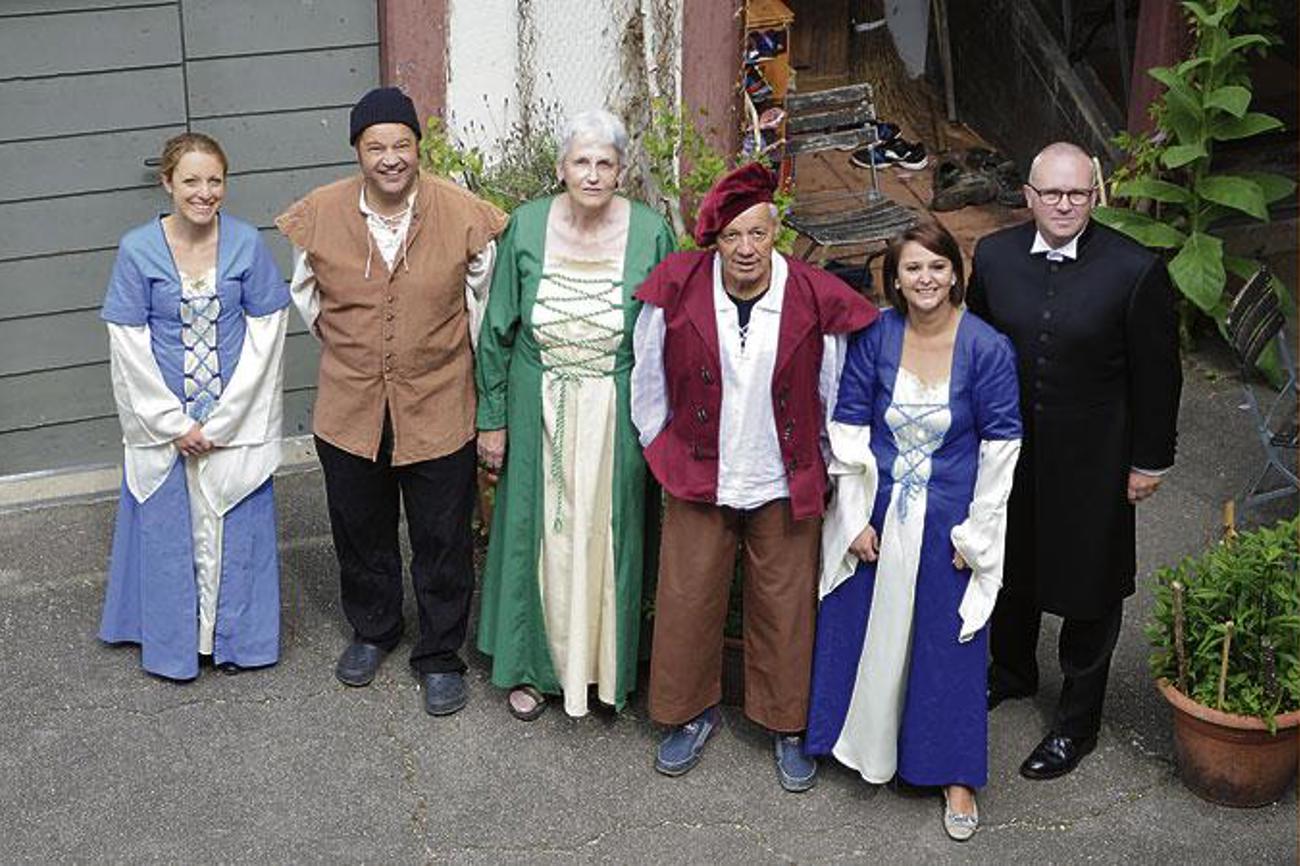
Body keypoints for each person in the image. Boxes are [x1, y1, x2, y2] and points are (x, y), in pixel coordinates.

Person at [631, 162, 878, 791]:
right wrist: (662, 446)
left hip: (782, 476)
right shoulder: (678, 287)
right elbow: (647, 377)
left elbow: (833, 388)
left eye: (758, 234)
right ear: (715, 240)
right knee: (688, 598)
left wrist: (824, 464)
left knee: (785, 606)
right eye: (732, 236)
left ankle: (786, 723)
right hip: (699, 471)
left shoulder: (811, 293)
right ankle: (691, 713)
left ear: (777, 235)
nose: (746, 249)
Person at [275, 87, 506, 715]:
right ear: (357, 151)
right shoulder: (320, 213)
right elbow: (309, 300)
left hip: (439, 403)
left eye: (402, 144)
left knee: (442, 537)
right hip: (348, 407)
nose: (391, 158)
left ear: (417, 147)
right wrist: (362, 352)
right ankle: (374, 628)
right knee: (360, 529)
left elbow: (482, 307)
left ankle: (439, 654)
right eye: (376, 146)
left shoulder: (461, 213)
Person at [967, 141, 1182, 779]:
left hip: (1096, 460)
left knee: (1091, 586)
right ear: (1028, 196)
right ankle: (1012, 671)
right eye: (1051, 193)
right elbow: (973, 346)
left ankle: (1076, 723)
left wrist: (1149, 462)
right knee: (1010, 564)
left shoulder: (1136, 269)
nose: (1064, 205)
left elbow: (1159, 375)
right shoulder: (994, 256)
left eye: (1077, 193)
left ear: (1095, 196)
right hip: (1010, 451)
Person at [806, 223, 1022, 841]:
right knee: (858, 623)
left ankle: (955, 774)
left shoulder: (987, 348)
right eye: (912, 269)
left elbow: (1001, 446)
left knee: (948, 642)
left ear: (955, 274)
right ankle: (849, 740)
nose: (925, 279)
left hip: (950, 518)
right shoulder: (877, 335)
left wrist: (976, 534)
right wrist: (853, 518)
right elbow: (848, 426)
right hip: (879, 507)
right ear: (895, 280)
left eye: (936, 267)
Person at [474, 110, 676, 720]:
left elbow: (669, 337)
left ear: (621, 172)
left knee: (609, 536)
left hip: (617, 414)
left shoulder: (651, 233)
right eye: (581, 162)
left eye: (604, 163)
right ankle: (532, 668)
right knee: (537, 537)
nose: (592, 174)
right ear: (561, 168)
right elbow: (497, 329)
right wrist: (493, 417)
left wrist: (664, 427)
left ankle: (603, 671)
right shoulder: (528, 225)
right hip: (538, 406)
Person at [99, 132, 290, 681]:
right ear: (167, 183)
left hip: (233, 416)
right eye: (191, 181)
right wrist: (173, 424)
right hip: (167, 422)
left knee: (234, 524)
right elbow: (128, 342)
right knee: (170, 528)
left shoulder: (246, 242)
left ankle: (233, 640)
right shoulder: (137, 249)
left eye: (215, 181)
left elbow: (267, 331)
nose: (204, 192)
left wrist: (228, 419)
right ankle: (178, 641)